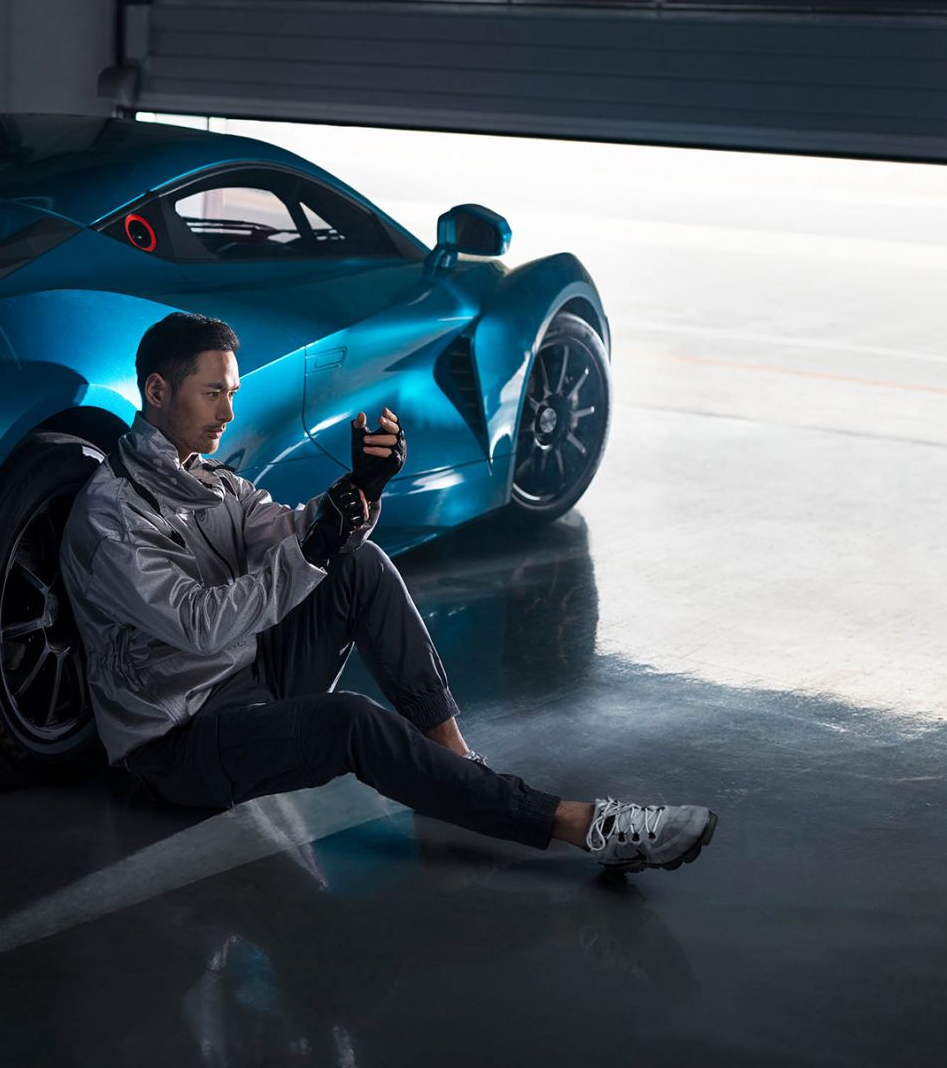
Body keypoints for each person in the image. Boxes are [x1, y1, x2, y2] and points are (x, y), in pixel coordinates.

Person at [58, 313, 718, 874]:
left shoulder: (212, 481)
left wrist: (359, 491)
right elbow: (199, 624)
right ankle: (582, 825)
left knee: (360, 562)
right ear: (157, 391)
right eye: (212, 395)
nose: (228, 413)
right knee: (353, 722)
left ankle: (458, 766)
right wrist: (312, 550)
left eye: (232, 393)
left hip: (250, 684)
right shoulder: (113, 515)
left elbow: (289, 531)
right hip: (182, 744)